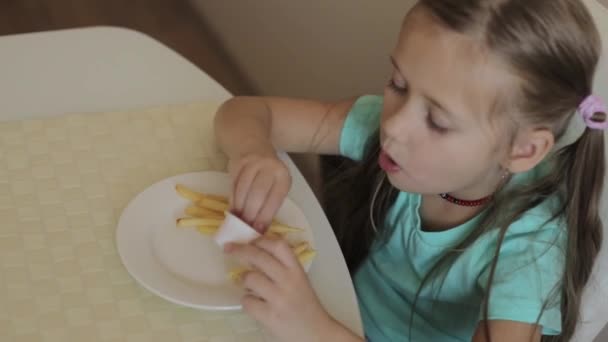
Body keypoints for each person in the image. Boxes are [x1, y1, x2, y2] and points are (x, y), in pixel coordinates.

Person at [213, 0, 607, 341]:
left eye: (436, 120)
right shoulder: (392, 131)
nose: (394, 125)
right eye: (398, 83)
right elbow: (244, 112)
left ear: (522, 150)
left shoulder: (529, 249)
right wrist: (254, 151)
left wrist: (316, 331)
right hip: (325, 311)